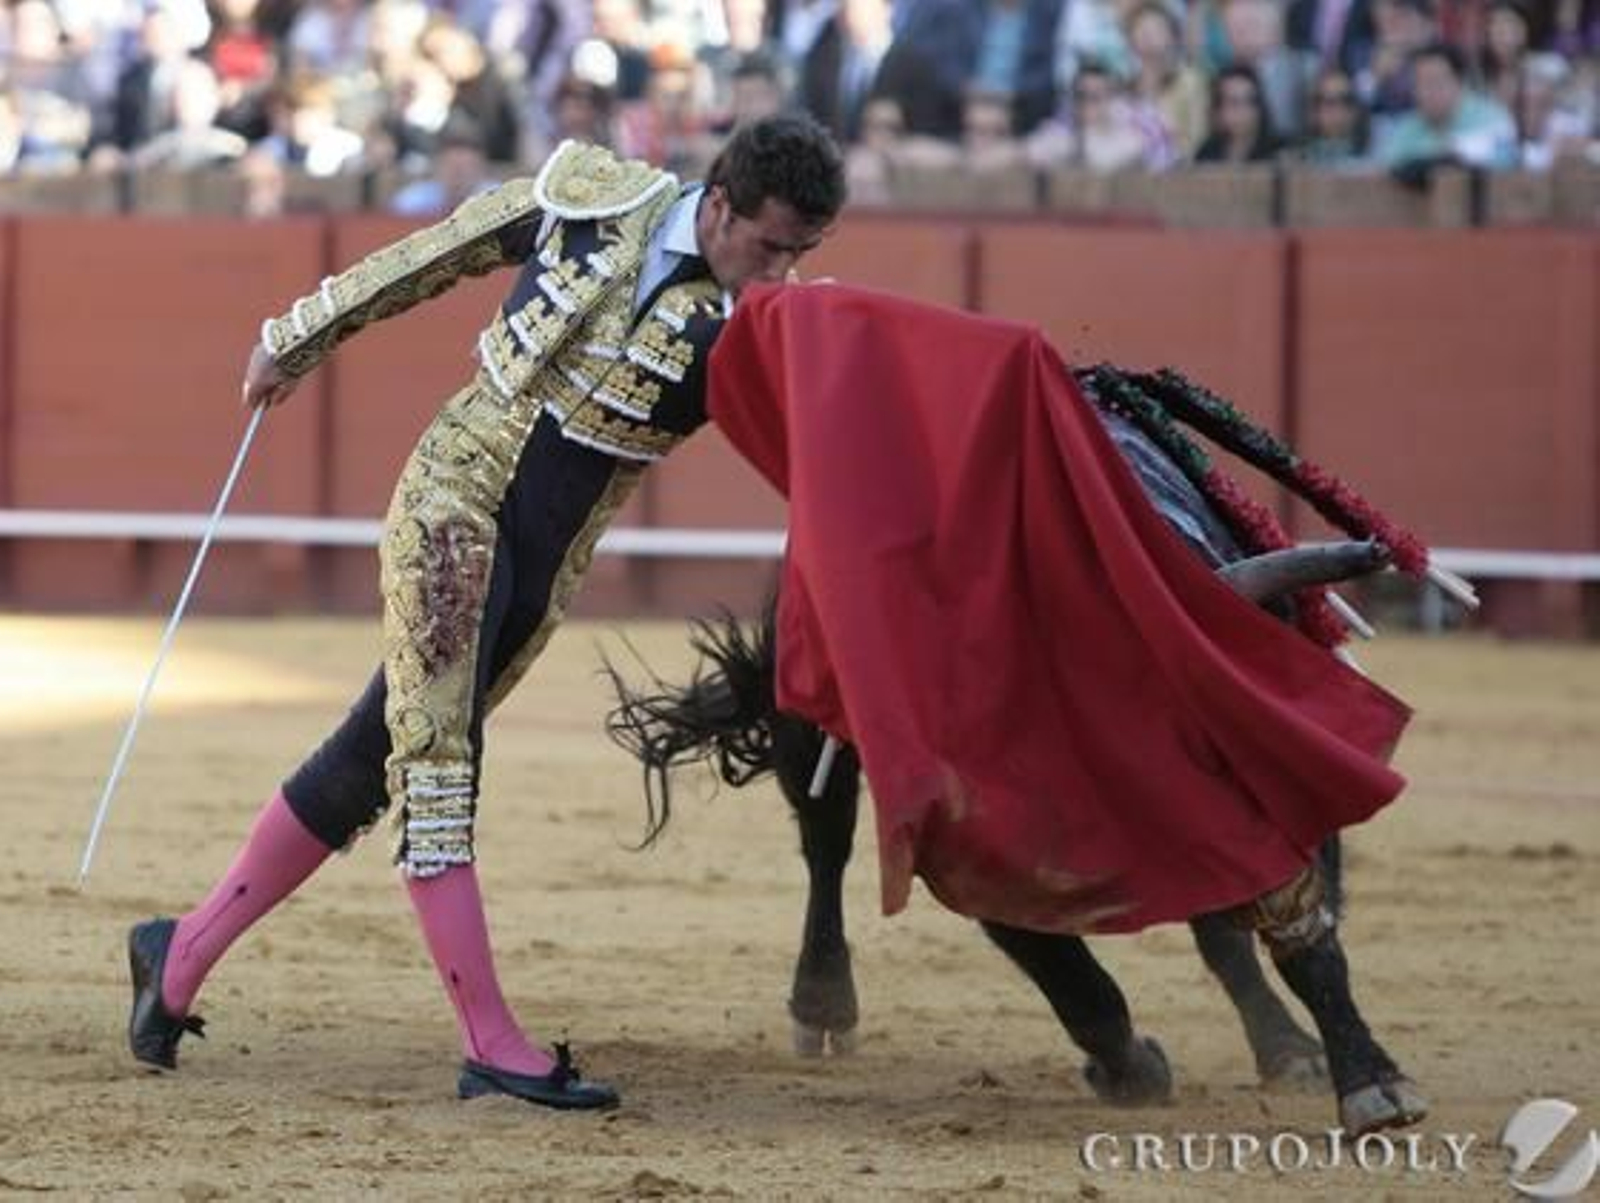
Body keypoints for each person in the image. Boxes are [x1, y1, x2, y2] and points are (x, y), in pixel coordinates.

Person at [126, 114, 847, 1111]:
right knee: (434, 765)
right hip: (451, 501)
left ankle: (175, 959)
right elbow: (440, 251)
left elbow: (829, 438)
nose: (776, 273)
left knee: (364, 757)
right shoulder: (597, 195)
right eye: (769, 247)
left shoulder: (761, 324)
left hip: (542, 568)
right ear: (719, 204)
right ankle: (493, 1046)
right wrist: (294, 336)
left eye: (800, 255)